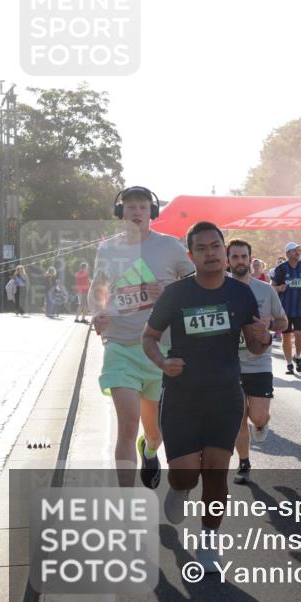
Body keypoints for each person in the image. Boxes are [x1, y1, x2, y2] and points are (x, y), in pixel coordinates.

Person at [143, 222, 267, 571]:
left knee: (216, 472)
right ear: (191, 255)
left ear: (224, 250)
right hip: (182, 396)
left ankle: (209, 541)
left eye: (216, 246)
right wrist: (163, 362)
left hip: (225, 395)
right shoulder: (177, 294)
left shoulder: (240, 294)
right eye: (202, 248)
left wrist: (265, 337)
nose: (210, 253)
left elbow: (255, 347)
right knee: (185, 474)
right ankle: (179, 488)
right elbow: (149, 337)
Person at [90, 186, 194, 488]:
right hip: (120, 346)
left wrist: (171, 294)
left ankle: (149, 451)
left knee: (154, 432)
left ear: (152, 213)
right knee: (126, 426)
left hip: (159, 350)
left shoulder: (171, 247)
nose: (136, 212)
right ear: (121, 212)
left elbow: (193, 282)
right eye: (130, 207)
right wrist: (98, 312)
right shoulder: (107, 249)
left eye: (143, 207)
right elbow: (98, 289)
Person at [227, 239, 287, 486]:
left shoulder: (265, 290)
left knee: (258, 417)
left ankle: (261, 424)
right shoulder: (220, 289)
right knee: (238, 416)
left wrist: (269, 326)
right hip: (230, 363)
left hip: (260, 361)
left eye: (244, 256)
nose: (240, 261)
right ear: (228, 260)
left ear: (250, 259)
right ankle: (244, 462)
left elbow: (283, 322)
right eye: (235, 257)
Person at [272, 242, 301, 374]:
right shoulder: (281, 269)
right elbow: (271, 287)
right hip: (285, 309)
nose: (298, 252)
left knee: (300, 336)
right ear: (288, 253)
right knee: (286, 337)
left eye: (299, 250)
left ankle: (298, 356)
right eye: (295, 250)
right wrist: (279, 288)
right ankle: (289, 363)